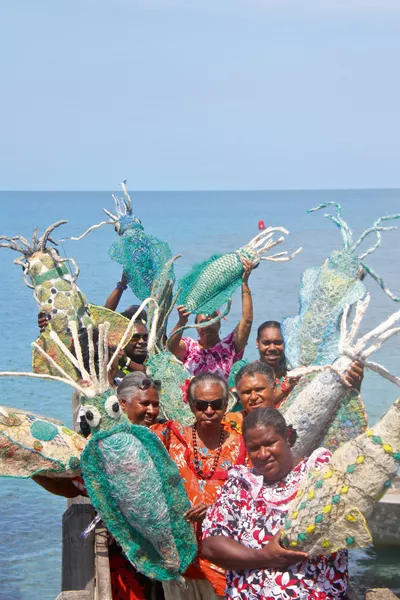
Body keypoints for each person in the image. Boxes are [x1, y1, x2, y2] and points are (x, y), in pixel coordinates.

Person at [34, 372, 164, 600]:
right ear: (122, 404)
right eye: (145, 404)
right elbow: (75, 488)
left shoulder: (165, 435)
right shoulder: (103, 446)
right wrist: (33, 469)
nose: (152, 411)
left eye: (155, 404)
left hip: (161, 547)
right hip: (126, 551)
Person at [202, 407, 348, 600]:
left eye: (270, 443)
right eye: (254, 448)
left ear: (287, 437)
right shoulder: (240, 485)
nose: (263, 454)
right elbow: (211, 545)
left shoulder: (319, 474)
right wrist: (265, 557)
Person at [152, 372, 247, 600]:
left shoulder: (242, 446)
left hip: (223, 565)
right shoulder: (171, 437)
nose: (209, 410)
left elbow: (253, 500)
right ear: (191, 405)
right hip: (179, 563)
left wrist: (215, 511)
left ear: (226, 404)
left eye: (216, 404)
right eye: (202, 405)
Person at [167, 260, 254, 379]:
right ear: (196, 328)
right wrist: (182, 322)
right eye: (202, 322)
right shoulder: (189, 346)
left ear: (219, 323)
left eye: (210, 320)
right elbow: (170, 348)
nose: (207, 325)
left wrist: (244, 284)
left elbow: (247, 321)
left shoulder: (230, 345)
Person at [256, 320, 364, 406]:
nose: (272, 348)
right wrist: (286, 386)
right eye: (266, 343)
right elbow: (256, 406)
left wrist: (354, 383)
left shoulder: (297, 376)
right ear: (257, 343)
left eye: (278, 343)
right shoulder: (249, 375)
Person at [224, 361, 276, 431]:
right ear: (239, 395)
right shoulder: (227, 425)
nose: (253, 397)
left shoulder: (288, 420)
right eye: (246, 392)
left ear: (273, 388)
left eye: (259, 389)